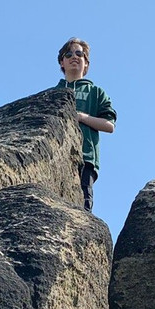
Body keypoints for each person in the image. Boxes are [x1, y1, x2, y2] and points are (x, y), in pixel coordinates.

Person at [55, 38, 116, 212]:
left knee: (82, 206)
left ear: (86, 63)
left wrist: (81, 117)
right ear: (62, 62)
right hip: (56, 154)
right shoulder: (53, 93)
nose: (74, 57)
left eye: (79, 54)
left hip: (85, 156)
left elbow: (109, 125)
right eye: (69, 54)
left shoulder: (96, 92)